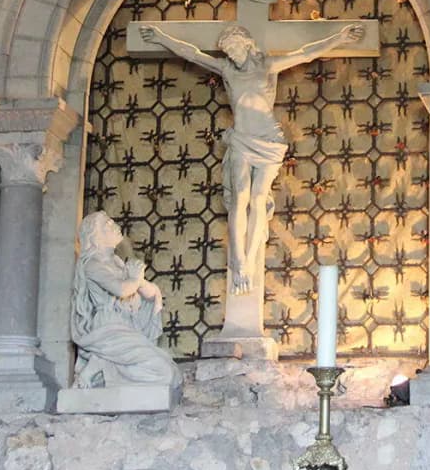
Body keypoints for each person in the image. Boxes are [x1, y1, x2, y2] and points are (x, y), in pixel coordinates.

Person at [137, 20, 364, 294]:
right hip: (242, 140)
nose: (230, 53)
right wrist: (162, 38)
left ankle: (251, 255)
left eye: (233, 47)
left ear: (245, 43)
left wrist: (339, 38)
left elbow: (305, 53)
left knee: (258, 199)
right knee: (241, 195)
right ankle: (239, 261)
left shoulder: (267, 66)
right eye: (227, 50)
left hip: (268, 141)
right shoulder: (226, 70)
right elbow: (192, 53)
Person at [71, 210, 181, 389]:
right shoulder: (92, 265)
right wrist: (135, 278)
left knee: (173, 373)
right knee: (165, 374)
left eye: (112, 220)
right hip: (109, 329)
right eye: (107, 224)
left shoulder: (117, 263)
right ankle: (105, 369)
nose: (114, 225)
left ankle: (102, 366)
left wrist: (139, 280)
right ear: (94, 236)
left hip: (128, 328)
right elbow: (121, 289)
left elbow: (150, 293)